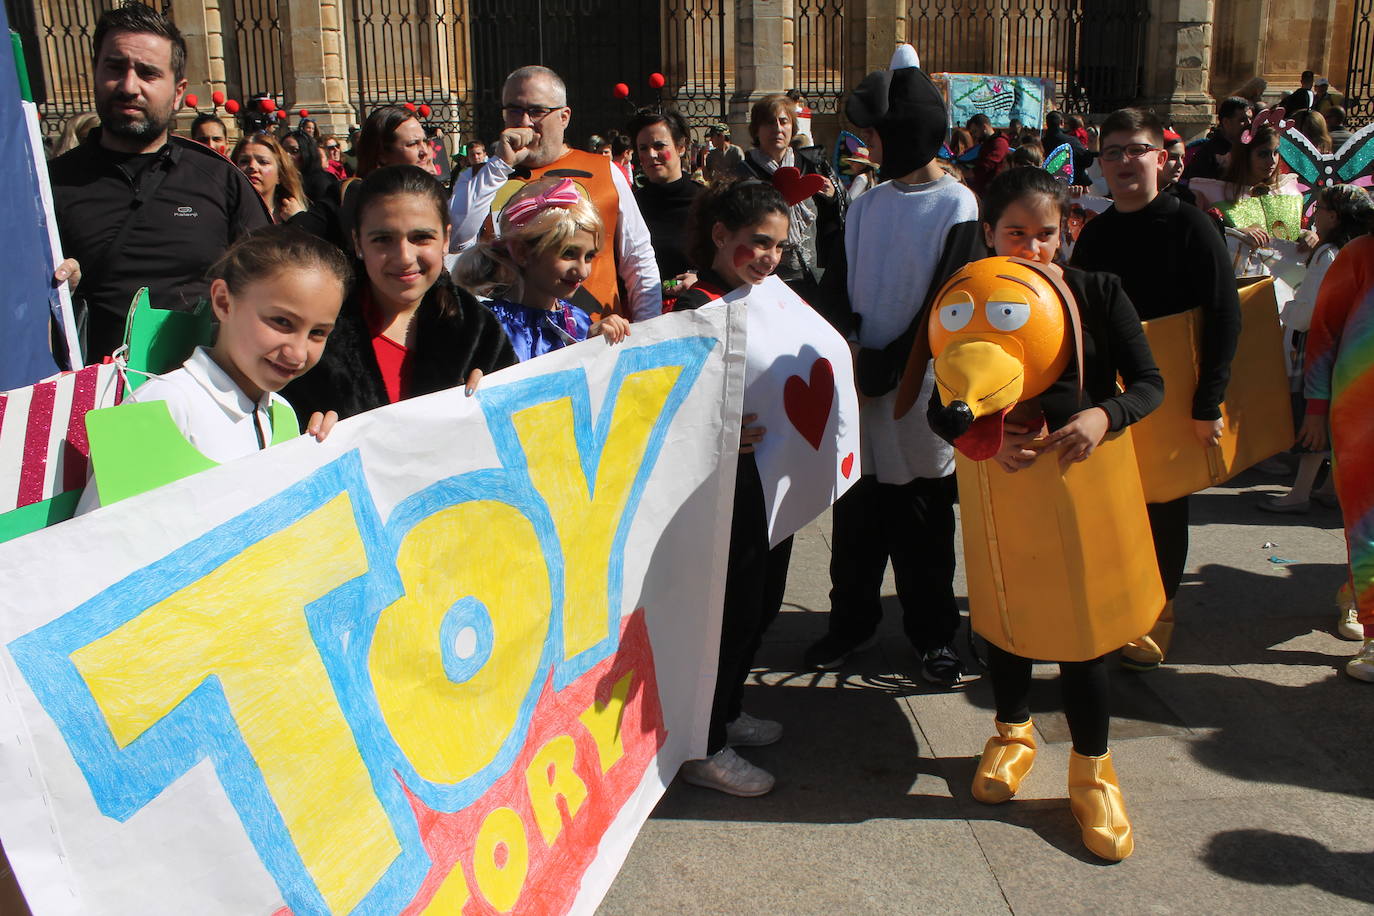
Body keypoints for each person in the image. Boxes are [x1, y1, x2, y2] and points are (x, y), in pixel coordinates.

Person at [968, 166, 1163, 863]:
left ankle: (1092, 768)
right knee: (1009, 620)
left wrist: (1102, 416)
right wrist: (985, 444)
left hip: (1081, 485)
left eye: (1044, 234)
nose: (1030, 248)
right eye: (1014, 233)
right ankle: (1012, 731)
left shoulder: (1097, 291)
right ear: (989, 233)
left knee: (1083, 635)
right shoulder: (970, 298)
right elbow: (941, 403)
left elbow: (1150, 384)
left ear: (1066, 232)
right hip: (1002, 485)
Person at [803, 45, 983, 685]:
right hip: (863, 378)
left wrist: (900, 362)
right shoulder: (869, 203)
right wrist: (851, 343)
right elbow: (842, 281)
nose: (867, 143)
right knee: (856, 520)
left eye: (876, 132)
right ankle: (849, 624)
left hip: (918, 389)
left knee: (923, 522)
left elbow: (949, 296)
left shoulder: (957, 206)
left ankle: (934, 634)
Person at [1071, 107, 1242, 671]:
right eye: (1112, 151)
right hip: (1112, 397)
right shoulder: (1095, 235)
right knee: (1114, 505)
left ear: (1162, 159)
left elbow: (1223, 316)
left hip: (1173, 391)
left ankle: (1157, 611)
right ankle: (1116, 602)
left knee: (1164, 507)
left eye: (1136, 149)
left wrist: (1208, 402)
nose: (1124, 161)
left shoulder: (1192, 226)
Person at [48, 1, 271, 361]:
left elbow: (271, 284)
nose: (129, 86)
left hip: (206, 398)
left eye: (148, 73)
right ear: (95, 72)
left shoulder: (220, 177)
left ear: (179, 92)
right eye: (115, 68)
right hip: (98, 404)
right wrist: (53, 290)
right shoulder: (50, 187)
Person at [79, 226, 350, 513]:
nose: (297, 352)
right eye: (281, 322)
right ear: (223, 301)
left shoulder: (282, 414)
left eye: (318, 333)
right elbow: (93, 542)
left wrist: (317, 459)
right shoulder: (162, 405)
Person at [670, 178, 795, 797]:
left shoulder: (765, 297)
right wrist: (718, 427)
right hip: (723, 487)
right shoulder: (697, 307)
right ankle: (704, 744)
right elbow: (670, 406)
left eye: (779, 246)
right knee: (731, 610)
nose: (770, 257)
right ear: (721, 237)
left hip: (767, 475)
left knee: (762, 601)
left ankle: (727, 710)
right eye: (757, 242)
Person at [283, 165, 517, 421]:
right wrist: (302, 434)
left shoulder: (477, 329)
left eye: (421, 237)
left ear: (446, 239)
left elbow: (523, 431)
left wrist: (498, 403)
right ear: (358, 242)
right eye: (383, 239)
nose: (404, 257)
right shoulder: (316, 329)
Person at [448, 65, 660, 321]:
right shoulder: (479, 177)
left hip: (598, 342)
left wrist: (646, 331)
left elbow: (637, 258)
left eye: (537, 111)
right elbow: (456, 241)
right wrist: (499, 166)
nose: (524, 122)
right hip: (513, 344)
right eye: (514, 110)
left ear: (564, 117)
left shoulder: (606, 172)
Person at [1263, 185, 1374, 524]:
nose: (1314, 215)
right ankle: (1327, 487)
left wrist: (1287, 311)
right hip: (1353, 350)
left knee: (1316, 418)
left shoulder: (1329, 254)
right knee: (1334, 419)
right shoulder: (1357, 251)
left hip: (1323, 348)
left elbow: (1310, 311)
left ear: (1334, 216)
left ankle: (1300, 492)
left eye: (1320, 209)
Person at [1299, 229, 1374, 680]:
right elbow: (1323, 332)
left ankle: (1357, 592)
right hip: (1362, 415)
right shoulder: (1360, 254)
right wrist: (1316, 406)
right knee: (1366, 526)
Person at [452, 177, 630, 360]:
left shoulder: (579, 321)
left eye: (589, 256)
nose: (583, 271)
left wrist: (595, 348)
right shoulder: (485, 326)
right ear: (522, 252)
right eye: (568, 253)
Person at [733, 93, 843, 302]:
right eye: (768, 122)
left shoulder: (811, 164)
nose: (777, 128)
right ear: (756, 130)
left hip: (810, 276)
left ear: (792, 126)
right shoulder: (744, 172)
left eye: (783, 121)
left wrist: (831, 197)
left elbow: (835, 216)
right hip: (764, 277)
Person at [1191, 117, 1304, 278]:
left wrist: (1305, 235)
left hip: (1287, 286)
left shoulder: (1286, 190)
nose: (1271, 160)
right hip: (1242, 288)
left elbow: (1288, 234)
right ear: (1245, 156)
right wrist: (1235, 234)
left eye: (1276, 152)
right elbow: (1203, 241)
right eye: (1263, 154)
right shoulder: (1213, 194)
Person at [626, 107, 702, 301]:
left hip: (698, 310)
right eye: (643, 148)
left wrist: (699, 278)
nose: (651, 154)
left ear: (681, 147)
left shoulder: (708, 202)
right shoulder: (630, 205)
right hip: (641, 313)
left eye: (659, 146)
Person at [231, 133, 308, 225]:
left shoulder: (294, 218)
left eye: (263, 162)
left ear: (279, 174)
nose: (252, 166)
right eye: (244, 161)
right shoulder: (226, 215)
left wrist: (298, 219)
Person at [1181, 97, 1252, 184]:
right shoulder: (1208, 154)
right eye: (1242, 120)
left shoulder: (1252, 147)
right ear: (1226, 122)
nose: (1249, 123)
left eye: (1250, 118)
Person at [1041, 110, 1093, 183]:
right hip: (1073, 186)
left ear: (1047, 124)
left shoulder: (1041, 143)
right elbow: (1086, 160)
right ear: (1062, 122)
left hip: (1047, 184)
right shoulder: (1072, 141)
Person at [965, 113, 1010, 195]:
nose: (975, 135)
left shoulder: (999, 143)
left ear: (984, 127)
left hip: (993, 191)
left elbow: (987, 165)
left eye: (975, 131)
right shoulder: (987, 143)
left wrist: (967, 173)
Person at [1158, 129, 1196, 206]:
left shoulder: (1185, 197)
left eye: (1182, 158)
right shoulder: (1132, 196)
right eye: (1172, 157)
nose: (1180, 164)